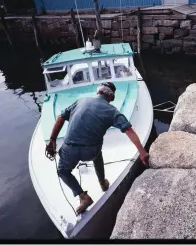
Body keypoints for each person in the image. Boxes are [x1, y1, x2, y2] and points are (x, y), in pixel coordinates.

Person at [45, 82, 149, 215]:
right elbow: (128, 130)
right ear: (111, 97)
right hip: (91, 152)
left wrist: (53, 139)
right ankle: (102, 182)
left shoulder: (81, 101)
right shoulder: (112, 111)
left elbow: (60, 117)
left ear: (97, 92)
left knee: (63, 171)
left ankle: (83, 197)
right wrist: (142, 152)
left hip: (69, 150)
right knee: (97, 153)